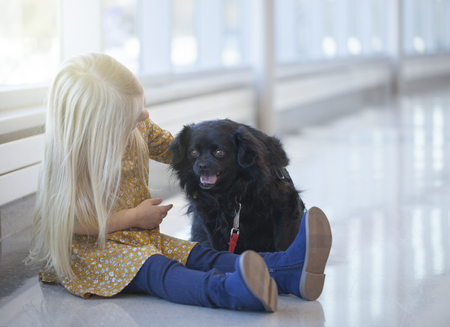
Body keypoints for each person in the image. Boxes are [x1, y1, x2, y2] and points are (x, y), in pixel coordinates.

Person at [25, 53, 332, 312]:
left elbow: (182, 151)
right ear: (105, 124)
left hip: (140, 238)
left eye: (143, 104)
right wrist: (135, 217)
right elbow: (72, 222)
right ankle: (232, 292)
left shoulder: (137, 128)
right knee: (161, 271)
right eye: (135, 112)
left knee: (199, 255)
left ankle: (288, 270)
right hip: (97, 254)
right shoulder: (76, 158)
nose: (145, 115)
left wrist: (244, 149)